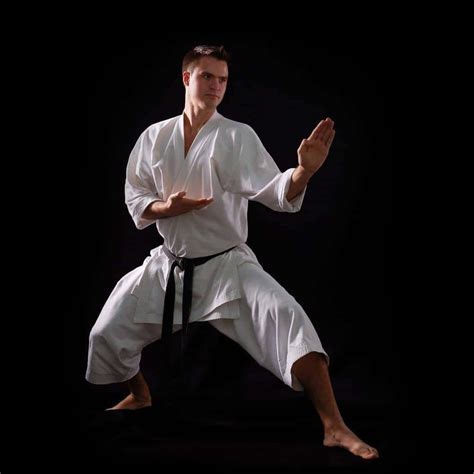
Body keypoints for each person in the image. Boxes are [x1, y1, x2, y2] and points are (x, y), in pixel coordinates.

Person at [86, 45, 379, 460]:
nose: (216, 86)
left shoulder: (236, 136)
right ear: (187, 78)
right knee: (105, 333)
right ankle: (141, 393)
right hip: (171, 265)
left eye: (222, 79)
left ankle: (335, 427)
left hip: (226, 266)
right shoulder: (154, 136)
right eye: (207, 76)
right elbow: (136, 195)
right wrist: (166, 209)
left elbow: (275, 191)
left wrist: (303, 171)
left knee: (291, 320)